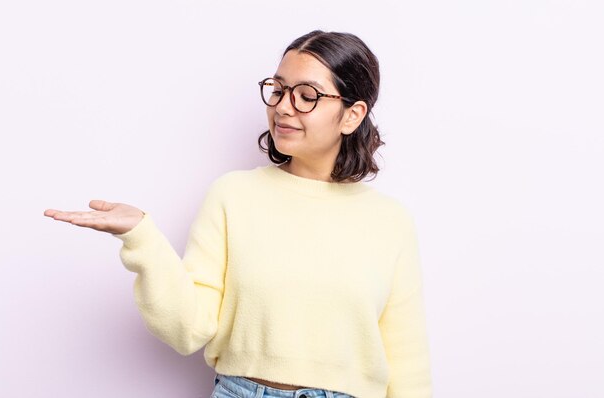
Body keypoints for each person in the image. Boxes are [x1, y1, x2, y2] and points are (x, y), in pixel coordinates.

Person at [44, 30, 433, 398]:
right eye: (278, 90)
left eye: (306, 95)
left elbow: (407, 363)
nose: (283, 106)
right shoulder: (233, 195)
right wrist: (142, 238)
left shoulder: (390, 221)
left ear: (352, 114)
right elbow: (189, 329)